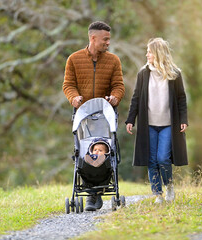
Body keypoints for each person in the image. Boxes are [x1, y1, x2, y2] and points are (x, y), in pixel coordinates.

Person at [63, 21, 125, 211]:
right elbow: (68, 85)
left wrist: (115, 97)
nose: (108, 43)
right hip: (83, 116)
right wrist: (74, 98)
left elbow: (119, 86)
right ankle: (91, 194)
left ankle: (97, 191)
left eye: (109, 40)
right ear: (93, 38)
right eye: (105, 39)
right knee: (85, 152)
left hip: (105, 115)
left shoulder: (114, 61)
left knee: (104, 151)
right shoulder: (73, 59)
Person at [125, 38, 188, 203]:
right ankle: (157, 194)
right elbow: (136, 98)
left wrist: (183, 119)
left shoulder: (175, 74)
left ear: (158, 54)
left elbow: (181, 98)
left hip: (168, 124)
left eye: (150, 52)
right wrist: (130, 119)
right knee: (151, 160)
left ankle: (169, 185)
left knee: (163, 159)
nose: (147, 54)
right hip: (149, 125)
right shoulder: (143, 73)